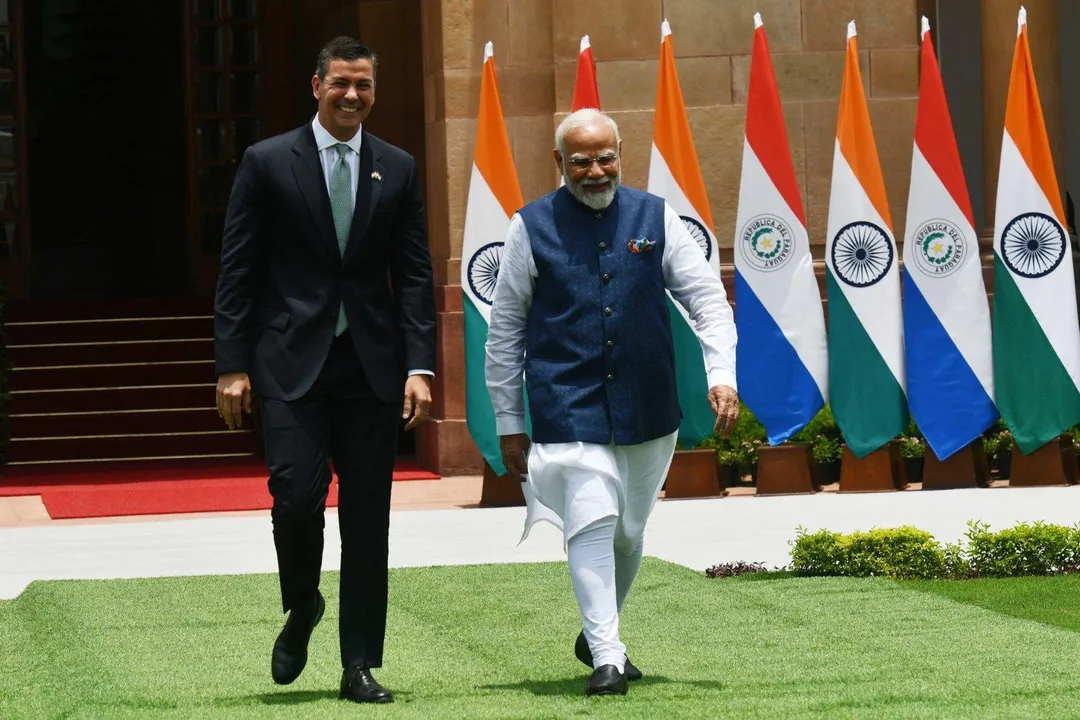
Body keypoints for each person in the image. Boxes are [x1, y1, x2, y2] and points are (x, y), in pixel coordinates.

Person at [484, 108, 738, 697]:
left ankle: (599, 631)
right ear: (559, 163)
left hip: (649, 402)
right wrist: (507, 419)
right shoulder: (530, 226)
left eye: (605, 158)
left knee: (629, 528)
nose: (595, 171)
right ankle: (607, 656)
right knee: (592, 518)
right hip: (565, 400)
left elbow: (706, 299)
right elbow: (506, 330)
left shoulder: (656, 215)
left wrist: (720, 374)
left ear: (621, 152)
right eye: (581, 161)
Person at [213, 36, 436, 705]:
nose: (352, 96)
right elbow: (238, 272)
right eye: (340, 83)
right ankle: (303, 602)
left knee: (368, 522)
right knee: (296, 501)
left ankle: (359, 664)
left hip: (371, 369)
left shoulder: (396, 167)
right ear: (317, 86)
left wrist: (420, 366)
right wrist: (231, 365)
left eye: (363, 85)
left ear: (374, 90)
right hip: (288, 365)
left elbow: (417, 274)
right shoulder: (266, 162)